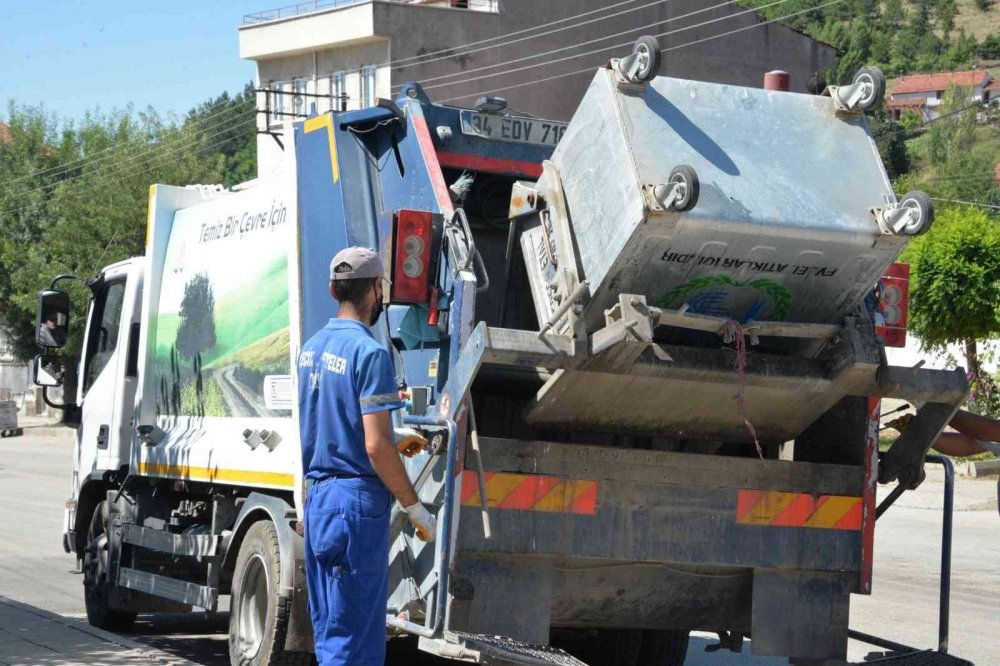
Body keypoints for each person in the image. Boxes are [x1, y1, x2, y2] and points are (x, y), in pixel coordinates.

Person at [297, 246, 437, 666]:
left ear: (332, 290)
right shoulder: (369, 353)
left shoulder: (310, 351)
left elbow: (329, 426)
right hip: (354, 507)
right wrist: (414, 507)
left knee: (332, 634)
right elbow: (375, 447)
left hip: (319, 499)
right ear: (376, 289)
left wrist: (393, 437)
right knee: (356, 641)